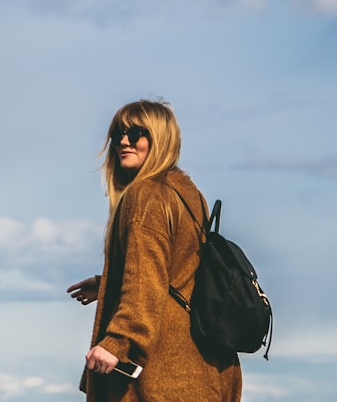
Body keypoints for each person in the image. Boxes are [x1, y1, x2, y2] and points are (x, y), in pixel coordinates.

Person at [67, 99, 243, 401]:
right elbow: (175, 270)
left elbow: (147, 282)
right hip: (205, 368)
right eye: (118, 133)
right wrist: (109, 282)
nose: (123, 141)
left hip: (163, 375)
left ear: (159, 138)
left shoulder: (145, 195)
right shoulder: (187, 193)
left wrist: (118, 342)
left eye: (136, 133)